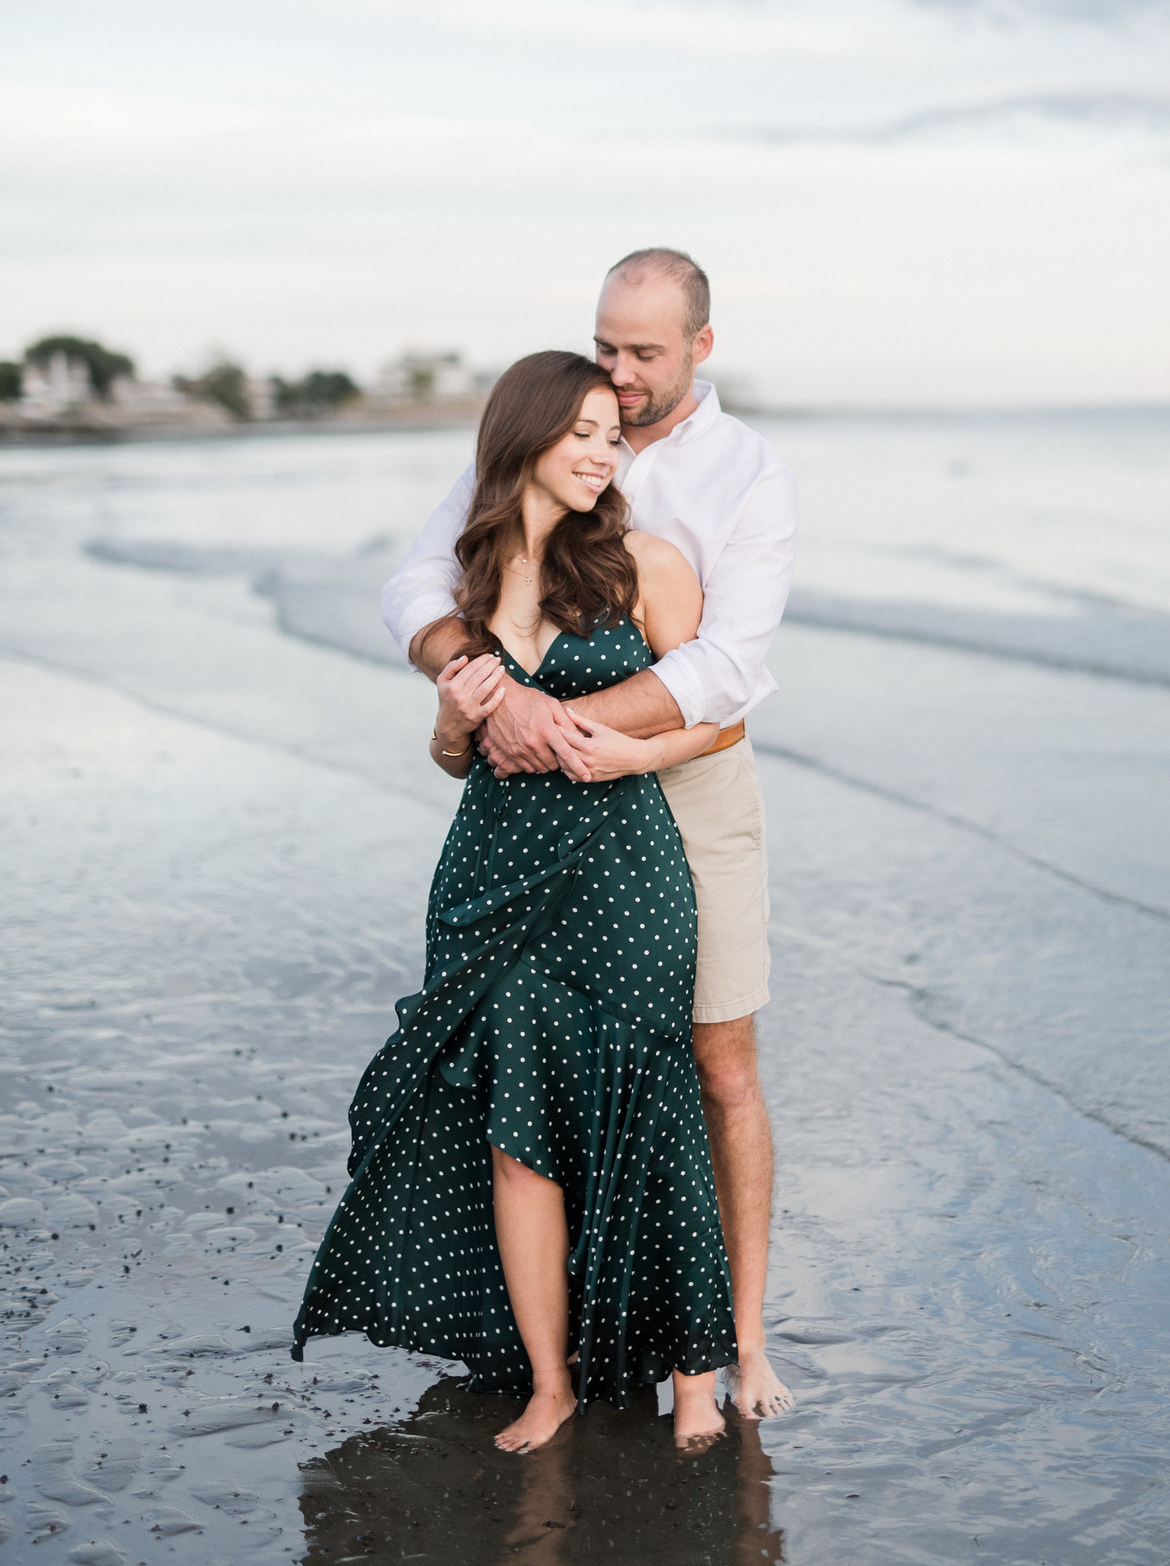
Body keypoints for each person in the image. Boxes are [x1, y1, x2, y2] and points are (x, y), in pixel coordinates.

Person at [382, 248, 798, 1420]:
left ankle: (741, 1338)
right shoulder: (547, 432)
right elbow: (418, 582)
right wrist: (477, 681)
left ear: (699, 350)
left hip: (683, 783)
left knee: (714, 1065)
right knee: (537, 1076)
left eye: (643, 355)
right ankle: (569, 1344)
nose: (617, 379)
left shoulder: (748, 474)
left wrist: (551, 719)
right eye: (605, 344)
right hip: (538, 807)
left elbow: (725, 671)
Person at [294, 351, 737, 1451]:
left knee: (649, 1108)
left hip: (624, 874)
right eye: (580, 430)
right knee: (516, 1140)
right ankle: (550, 1380)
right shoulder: (468, 584)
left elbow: (721, 716)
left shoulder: (647, 563)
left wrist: (624, 759)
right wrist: (456, 711)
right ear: (524, 437)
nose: (601, 450)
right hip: (490, 877)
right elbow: (455, 756)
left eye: (610, 432)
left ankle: (693, 1370)